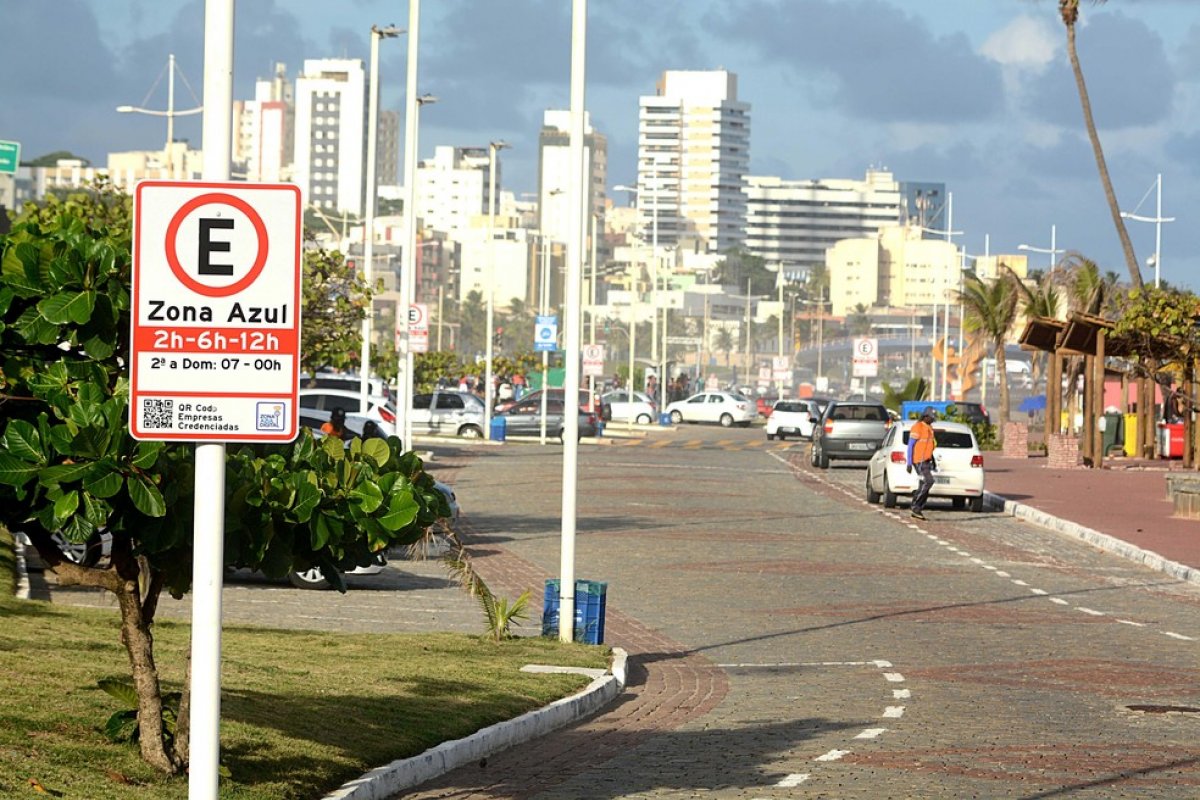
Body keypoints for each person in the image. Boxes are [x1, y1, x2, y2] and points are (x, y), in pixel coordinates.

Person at [906, 406, 938, 520]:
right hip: (918, 460)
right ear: (925, 416)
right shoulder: (917, 427)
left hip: (926, 460)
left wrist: (932, 460)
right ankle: (915, 505)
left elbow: (930, 445)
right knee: (928, 481)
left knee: (925, 483)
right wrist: (909, 462)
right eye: (931, 418)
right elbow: (910, 446)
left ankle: (918, 507)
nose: (932, 420)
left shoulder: (930, 428)